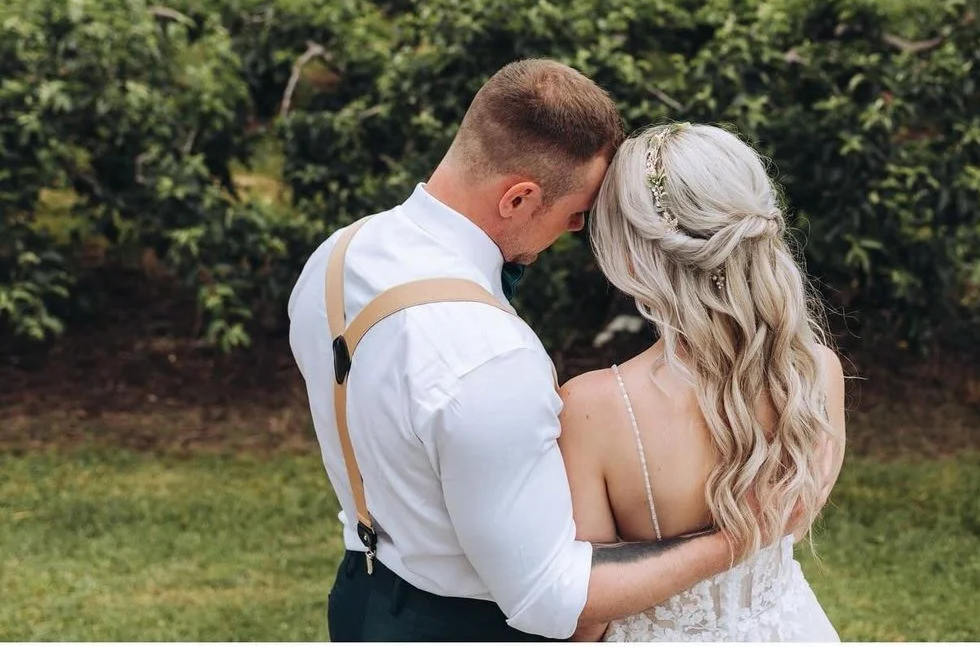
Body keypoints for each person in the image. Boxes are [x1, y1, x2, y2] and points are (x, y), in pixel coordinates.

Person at [288, 61, 750, 643]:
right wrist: (735, 538)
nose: (577, 229)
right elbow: (551, 600)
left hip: (358, 599)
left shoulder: (335, 257)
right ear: (519, 198)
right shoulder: (492, 357)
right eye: (574, 214)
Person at [559, 122, 847, 642]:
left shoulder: (592, 408)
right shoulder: (816, 372)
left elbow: (587, 615)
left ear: (632, 256)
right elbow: (796, 522)